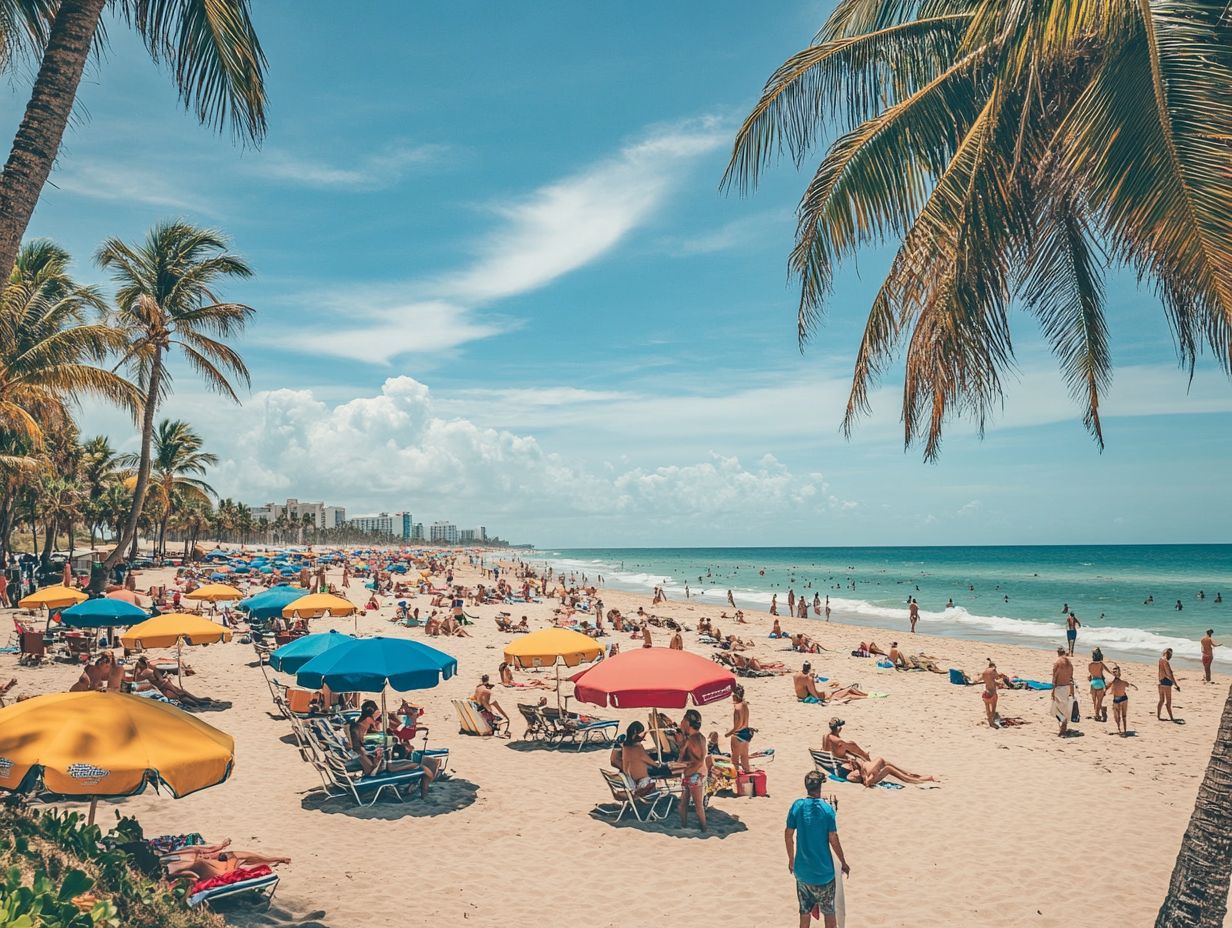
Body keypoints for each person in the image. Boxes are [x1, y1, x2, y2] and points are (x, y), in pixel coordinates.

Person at [785, 770, 848, 928]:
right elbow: (833, 838)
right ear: (820, 786)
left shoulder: (797, 806)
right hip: (823, 874)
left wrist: (791, 860)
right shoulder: (827, 810)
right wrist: (843, 862)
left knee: (804, 913)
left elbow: (788, 835)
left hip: (802, 872)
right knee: (829, 912)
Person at [164, 845, 291, 882]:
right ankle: (275, 859)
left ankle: (274, 859)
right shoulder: (188, 855)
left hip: (210, 868)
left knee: (236, 856)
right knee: (236, 856)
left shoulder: (185, 853)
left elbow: (208, 850)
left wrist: (221, 845)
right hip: (216, 871)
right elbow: (192, 877)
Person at [132, 656, 214, 707]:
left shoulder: (138, 674)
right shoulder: (148, 671)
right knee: (179, 691)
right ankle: (197, 700)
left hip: (163, 689)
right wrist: (165, 680)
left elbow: (155, 682)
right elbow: (158, 682)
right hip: (163, 690)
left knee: (179, 691)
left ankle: (197, 700)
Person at [677, 710, 708, 832]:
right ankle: (688, 826)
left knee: (695, 805)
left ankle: (703, 828)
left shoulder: (691, 740)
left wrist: (681, 744)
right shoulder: (701, 738)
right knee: (686, 804)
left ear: (687, 723)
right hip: (696, 774)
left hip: (693, 775)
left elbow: (690, 758)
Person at [726, 684, 753, 775]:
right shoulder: (745, 704)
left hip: (738, 735)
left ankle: (736, 780)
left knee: (735, 760)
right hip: (746, 734)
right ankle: (748, 777)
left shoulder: (737, 708)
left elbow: (738, 725)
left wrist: (728, 733)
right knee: (745, 758)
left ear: (734, 696)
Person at [1051, 646, 1076, 736]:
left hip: (1059, 687)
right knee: (1064, 708)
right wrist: (1072, 691)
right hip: (1067, 687)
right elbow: (1071, 678)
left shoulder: (1057, 662)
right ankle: (1063, 726)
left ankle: (1063, 727)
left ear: (1058, 653)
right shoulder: (1069, 663)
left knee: (1057, 709)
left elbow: (1054, 678)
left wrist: (1052, 691)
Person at [1108, 666, 1137, 736]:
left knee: (1121, 716)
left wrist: (1134, 687)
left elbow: (1130, 685)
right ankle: (1121, 730)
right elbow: (1130, 685)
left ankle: (1123, 730)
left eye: (1115, 672)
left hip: (1122, 699)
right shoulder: (1114, 681)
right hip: (1122, 698)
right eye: (1114, 672)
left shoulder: (1118, 681)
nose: (1114, 673)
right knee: (1118, 716)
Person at [1156, 648, 1181, 723]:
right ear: (1169, 654)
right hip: (1166, 683)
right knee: (1168, 702)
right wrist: (1176, 684)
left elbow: (1161, 671)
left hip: (1160, 681)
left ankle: (1158, 716)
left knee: (1161, 700)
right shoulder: (1166, 662)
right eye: (1171, 655)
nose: (1171, 656)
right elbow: (1169, 674)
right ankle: (1171, 718)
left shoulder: (1160, 659)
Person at [1088, 648, 1112, 722]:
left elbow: (1090, 674)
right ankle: (1098, 714)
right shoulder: (1101, 664)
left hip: (1093, 682)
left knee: (1094, 701)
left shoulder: (1090, 664)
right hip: (1100, 682)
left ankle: (1097, 715)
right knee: (1099, 701)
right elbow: (1108, 671)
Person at [979, 659, 999, 728]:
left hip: (985, 693)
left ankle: (989, 720)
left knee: (987, 708)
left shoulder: (984, 672)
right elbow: (997, 677)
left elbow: (980, 679)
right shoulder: (993, 670)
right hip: (992, 693)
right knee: (993, 708)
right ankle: (992, 722)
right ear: (994, 667)